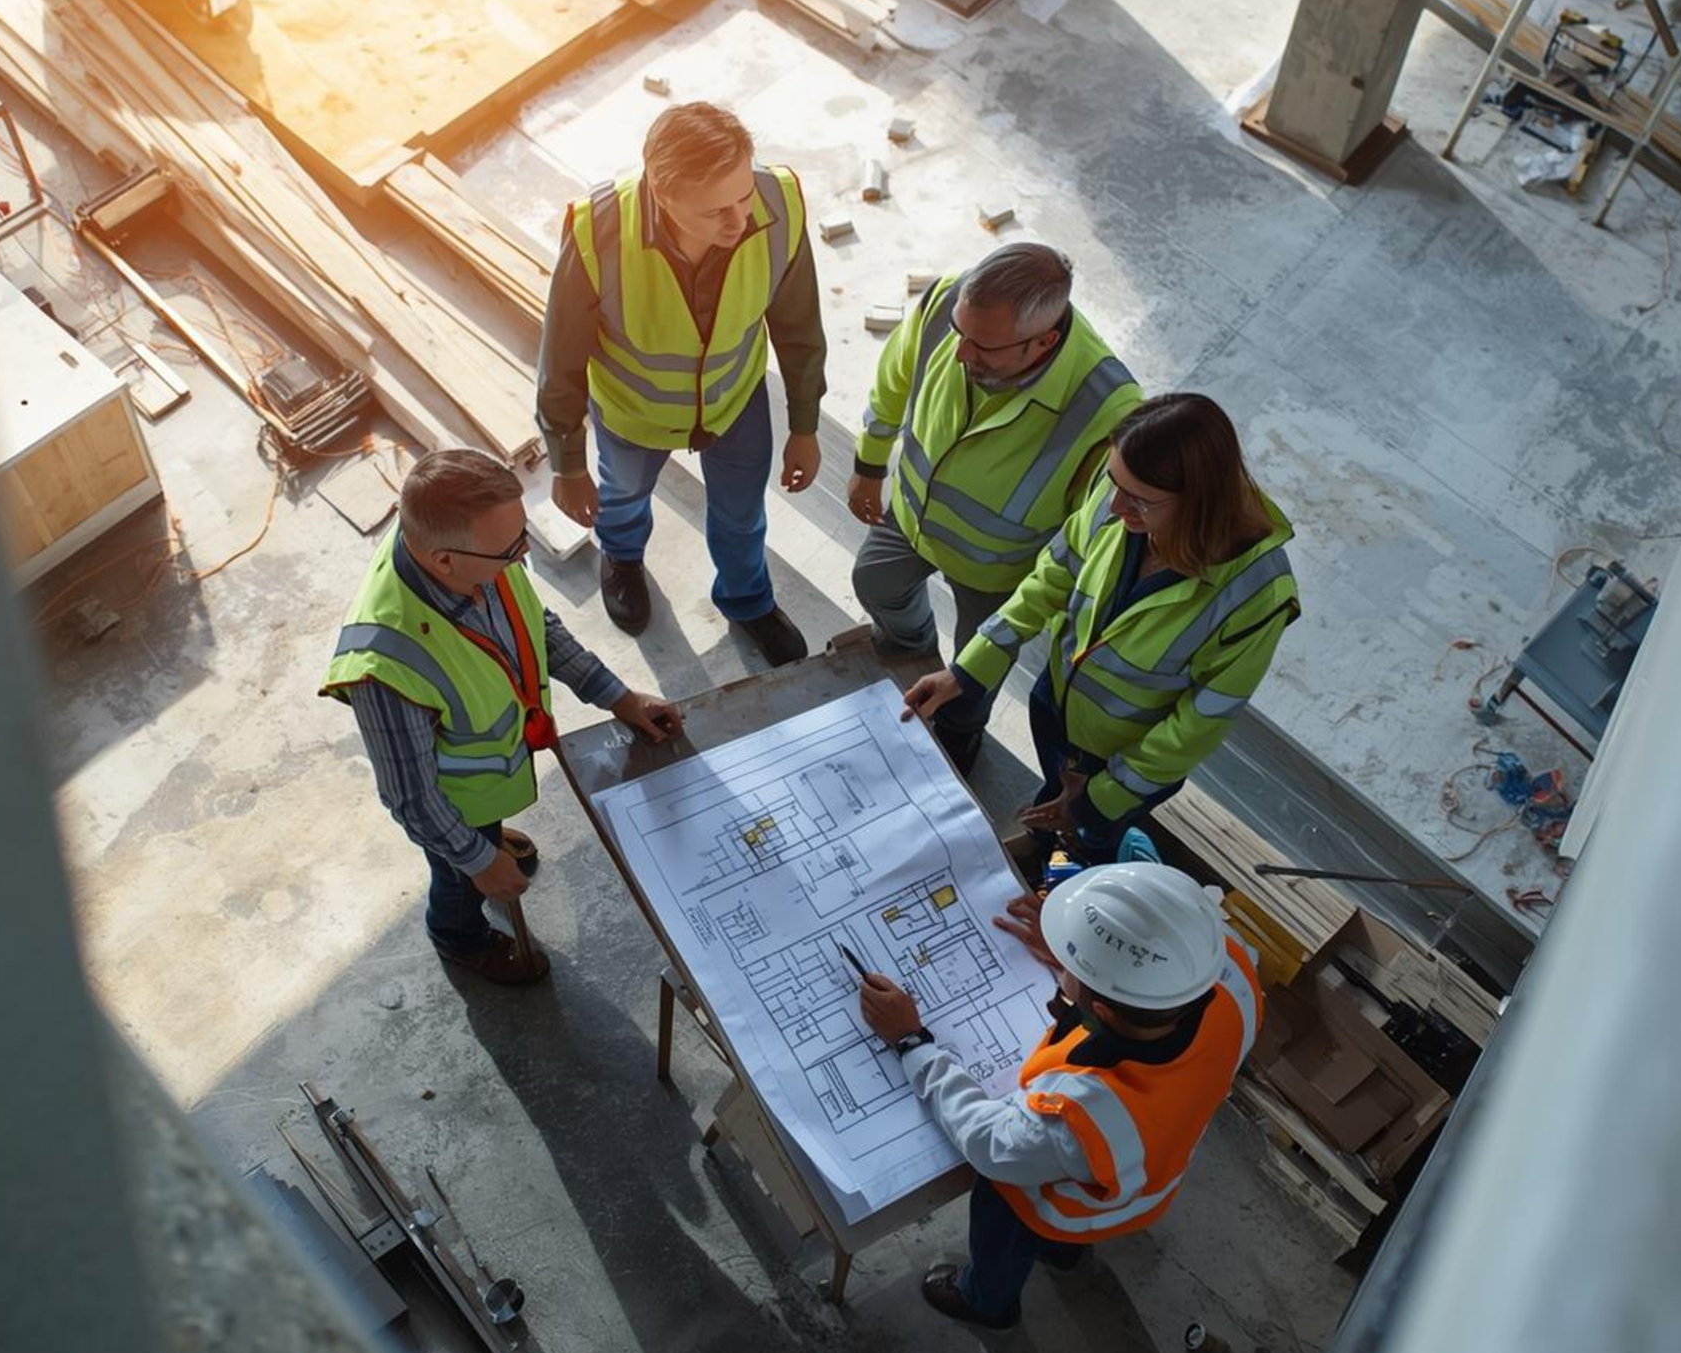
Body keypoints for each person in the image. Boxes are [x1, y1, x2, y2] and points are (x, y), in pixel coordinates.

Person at [321, 450, 682, 983]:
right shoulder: (386, 666)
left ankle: (485, 839)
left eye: (524, 534)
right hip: (454, 806)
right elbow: (412, 798)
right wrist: (479, 860)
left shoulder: (479, 558)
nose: (524, 554)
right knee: (457, 881)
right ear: (445, 561)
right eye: (511, 548)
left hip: (484, 785)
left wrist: (619, 697)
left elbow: (536, 625)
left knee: (480, 843)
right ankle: (459, 938)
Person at [858, 860, 1263, 1330]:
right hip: (1144, 1173)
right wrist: (1092, 962)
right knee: (1067, 1233)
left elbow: (988, 1143)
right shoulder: (1225, 966)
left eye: (1072, 969)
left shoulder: (1081, 1112)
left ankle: (986, 1303)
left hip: (1060, 1200)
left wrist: (912, 1043)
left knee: (1004, 1228)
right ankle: (1064, 1255)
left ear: (1101, 1011)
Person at [902, 393, 1299, 868]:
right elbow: (1053, 576)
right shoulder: (1122, 494)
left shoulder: (1256, 594)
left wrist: (1101, 799)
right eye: (1113, 483)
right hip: (1057, 708)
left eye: (1139, 500)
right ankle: (1051, 845)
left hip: (1123, 761)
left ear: (1199, 502)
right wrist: (967, 670)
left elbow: (1197, 724)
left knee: (1091, 837)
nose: (1114, 505)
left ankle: (1084, 859)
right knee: (1054, 803)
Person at [536, 101, 828, 667]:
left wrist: (805, 424)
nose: (740, 220)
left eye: (744, 195)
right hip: (634, 411)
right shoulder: (598, 230)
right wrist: (566, 463)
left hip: (734, 400)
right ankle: (622, 558)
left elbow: (799, 324)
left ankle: (747, 601)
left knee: (742, 515)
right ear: (661, 193)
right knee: (621, 498)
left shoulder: (780, 204)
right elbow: (561, 357)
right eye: (715, 210)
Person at [849, 243, 1142, 774]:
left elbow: (1090, 536)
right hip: (913, 520)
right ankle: (913, 650)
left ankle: (962, 732)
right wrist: (869, 463)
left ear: (1044, 341)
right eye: (959, 334)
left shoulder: (1107, 409)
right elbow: (893, 378)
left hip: (997, 572)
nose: (961, 354)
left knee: (976, 667)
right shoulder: (947, 303)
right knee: (874, 581)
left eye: (983, 347)